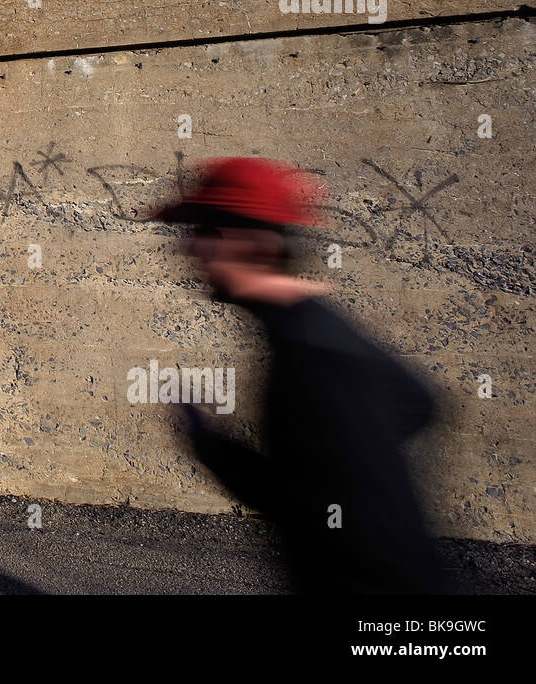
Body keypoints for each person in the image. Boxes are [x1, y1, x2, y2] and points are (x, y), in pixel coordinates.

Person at [154, 157, 449, 594]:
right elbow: (419, 403)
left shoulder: (313, 359)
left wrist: (214, 449)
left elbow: (312, 506)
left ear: (249, 242)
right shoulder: (314, 329)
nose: (190, 250)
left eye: (202, 232)